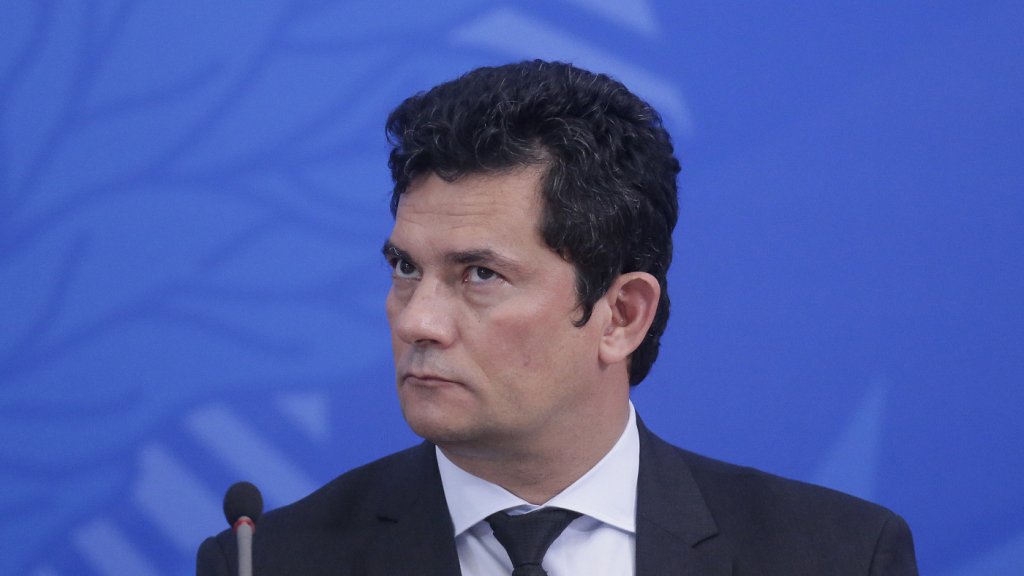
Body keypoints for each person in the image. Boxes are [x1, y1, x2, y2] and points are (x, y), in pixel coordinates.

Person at [197, 60, 918, 575]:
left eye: (480, 275)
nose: (418, 321)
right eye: (406, 268)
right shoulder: (266, 562)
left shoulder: (839, 555)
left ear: (622, 315)